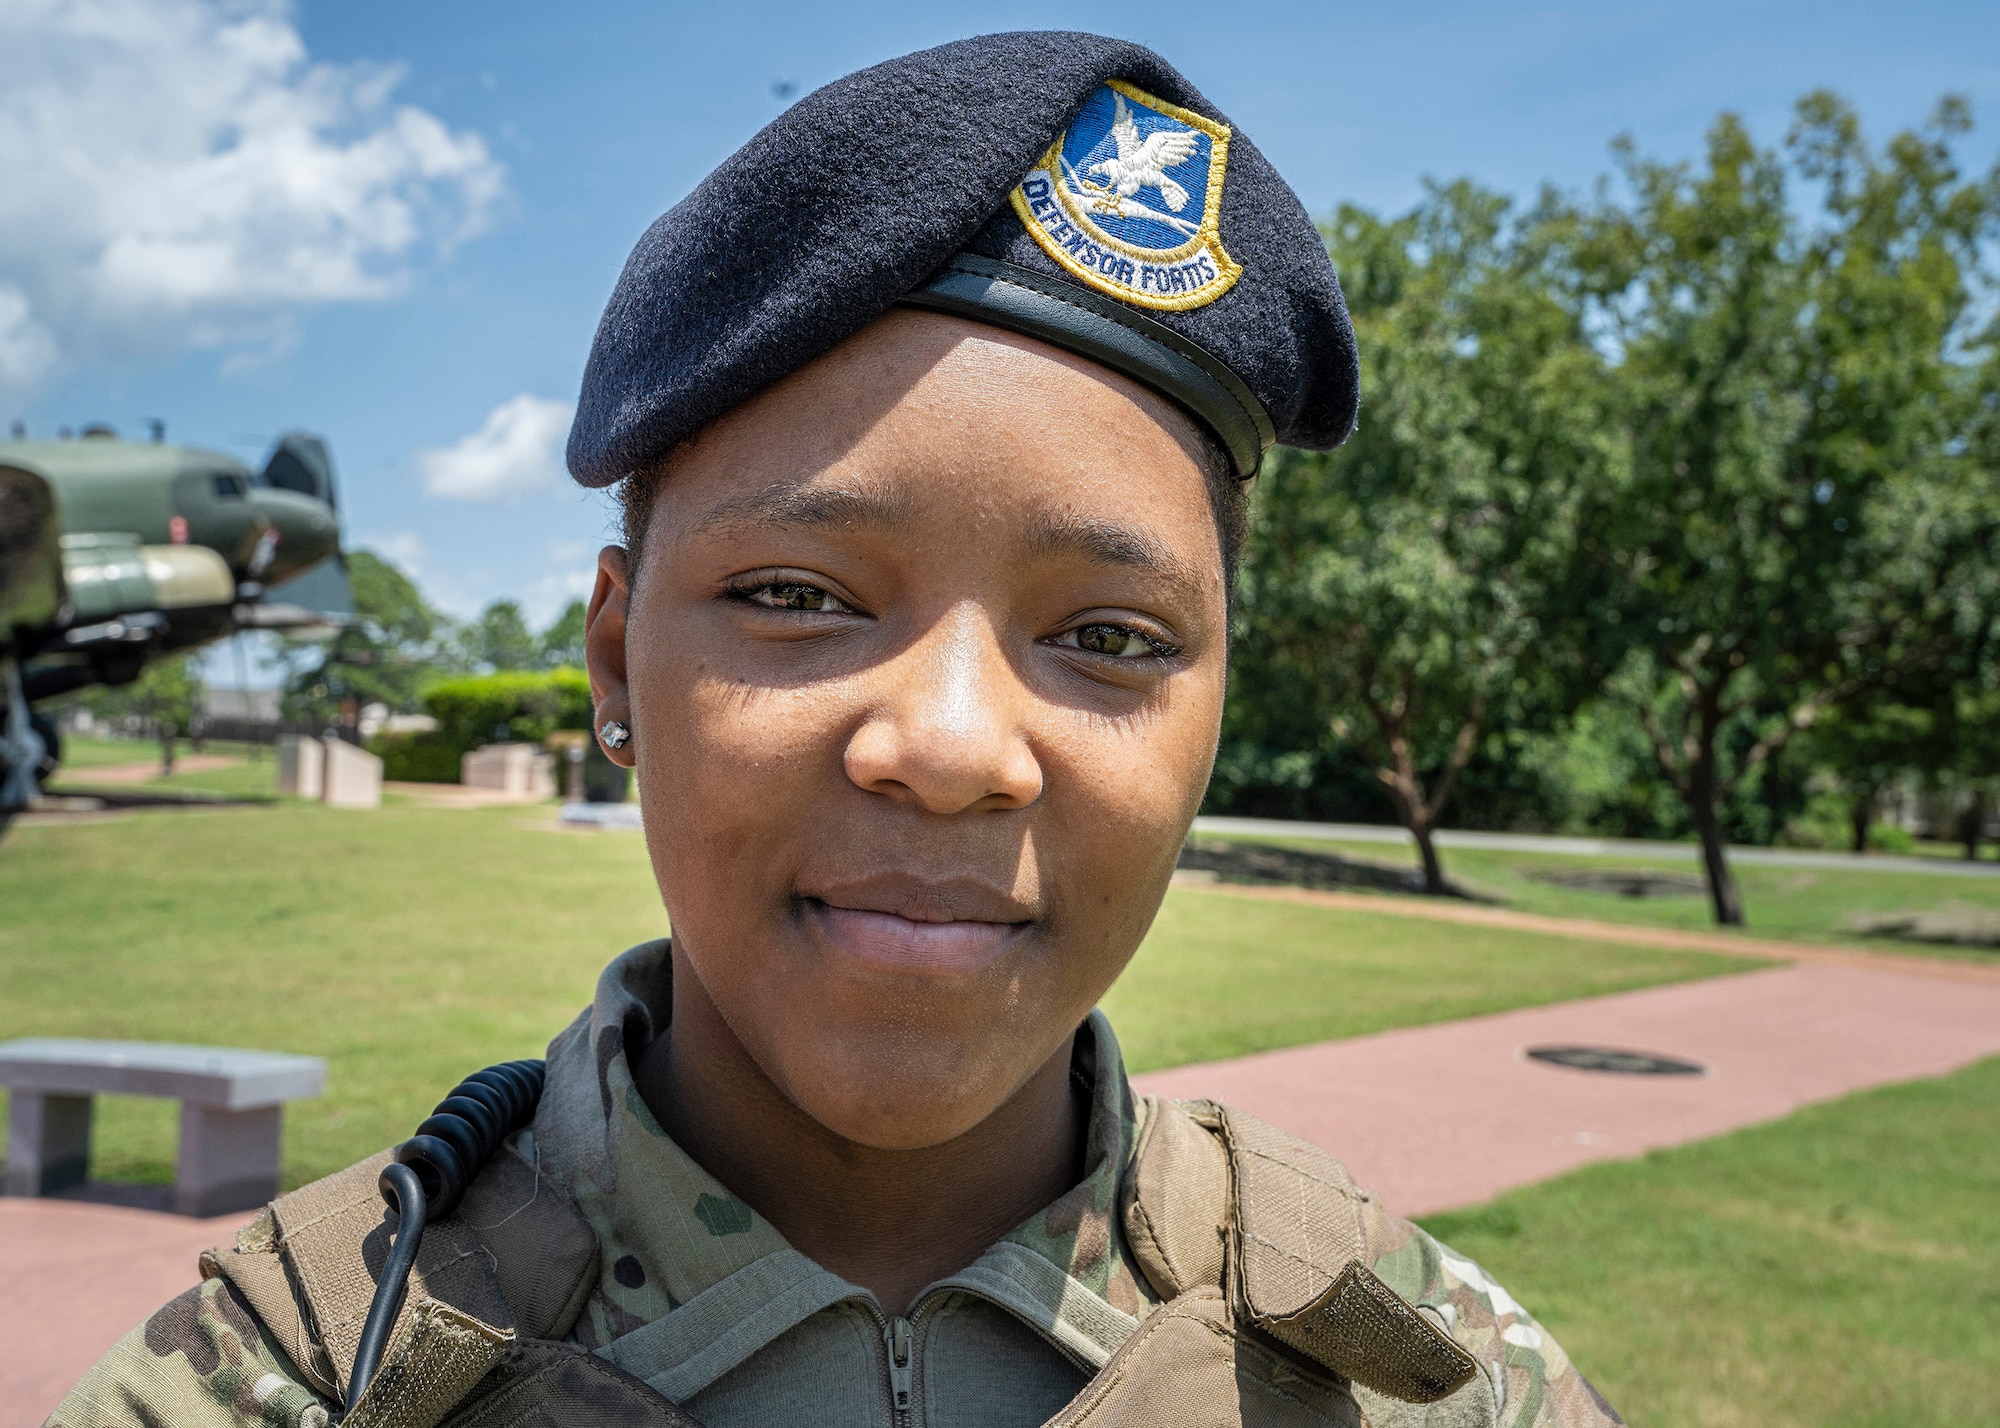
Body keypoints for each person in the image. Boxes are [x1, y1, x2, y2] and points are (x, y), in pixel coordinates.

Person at [49, 32, 1621, 1428]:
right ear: (614, 664)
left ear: (1214, 707)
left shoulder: (1421, 1379)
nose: (948, 745)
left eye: (1111, 638)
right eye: (798, 594)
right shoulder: (287, 1385)